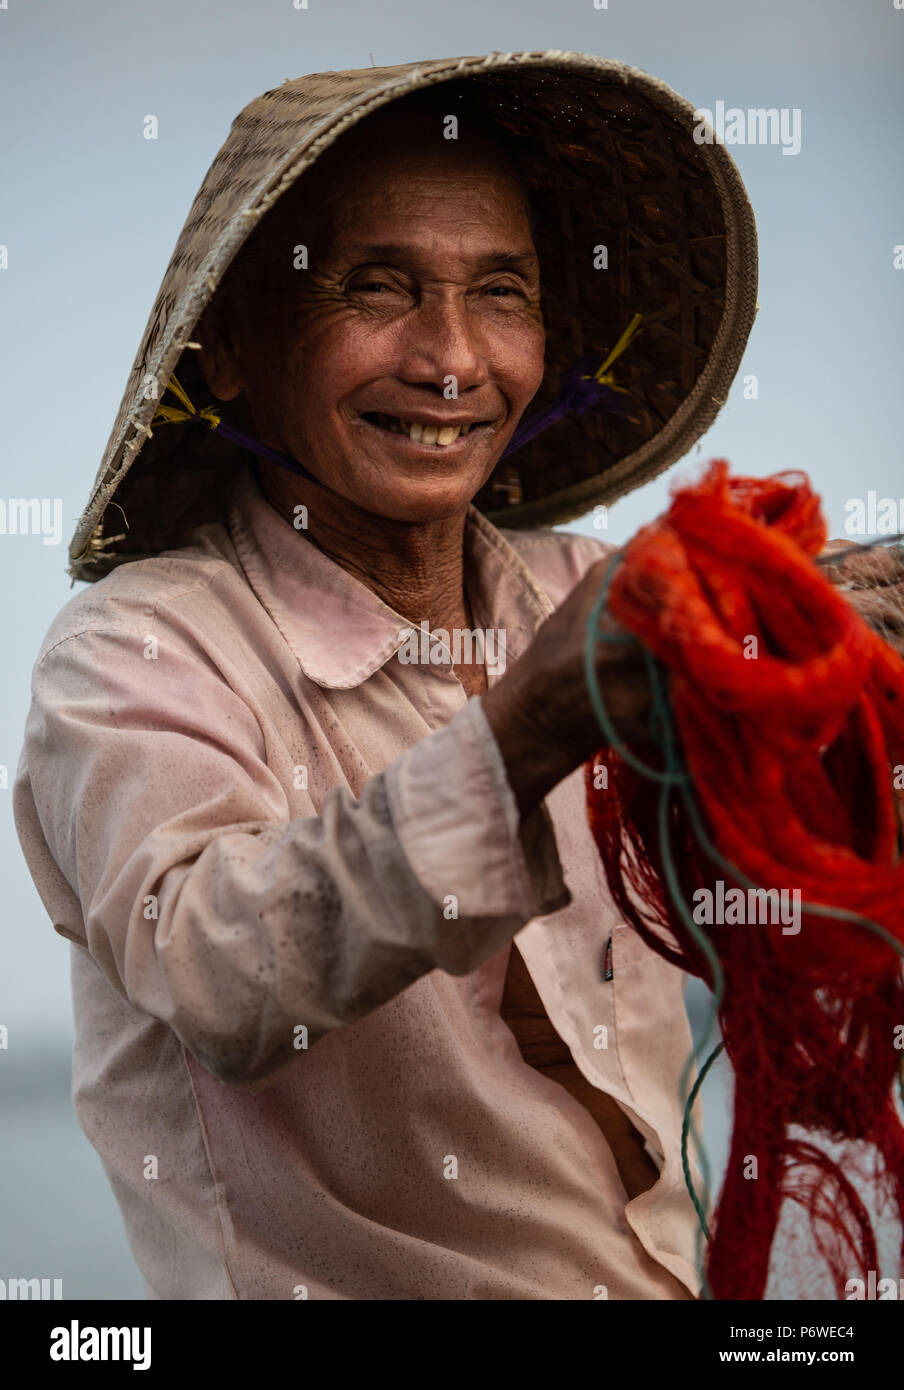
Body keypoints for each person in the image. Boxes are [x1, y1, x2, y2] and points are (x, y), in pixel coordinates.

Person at [13, 52, 901, 1301]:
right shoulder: (137, 650)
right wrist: (527, 727)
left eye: (501, 293)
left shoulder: (590, 589)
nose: (449, 360)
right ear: (229, 351)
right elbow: (221, 967)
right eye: (374, 287)